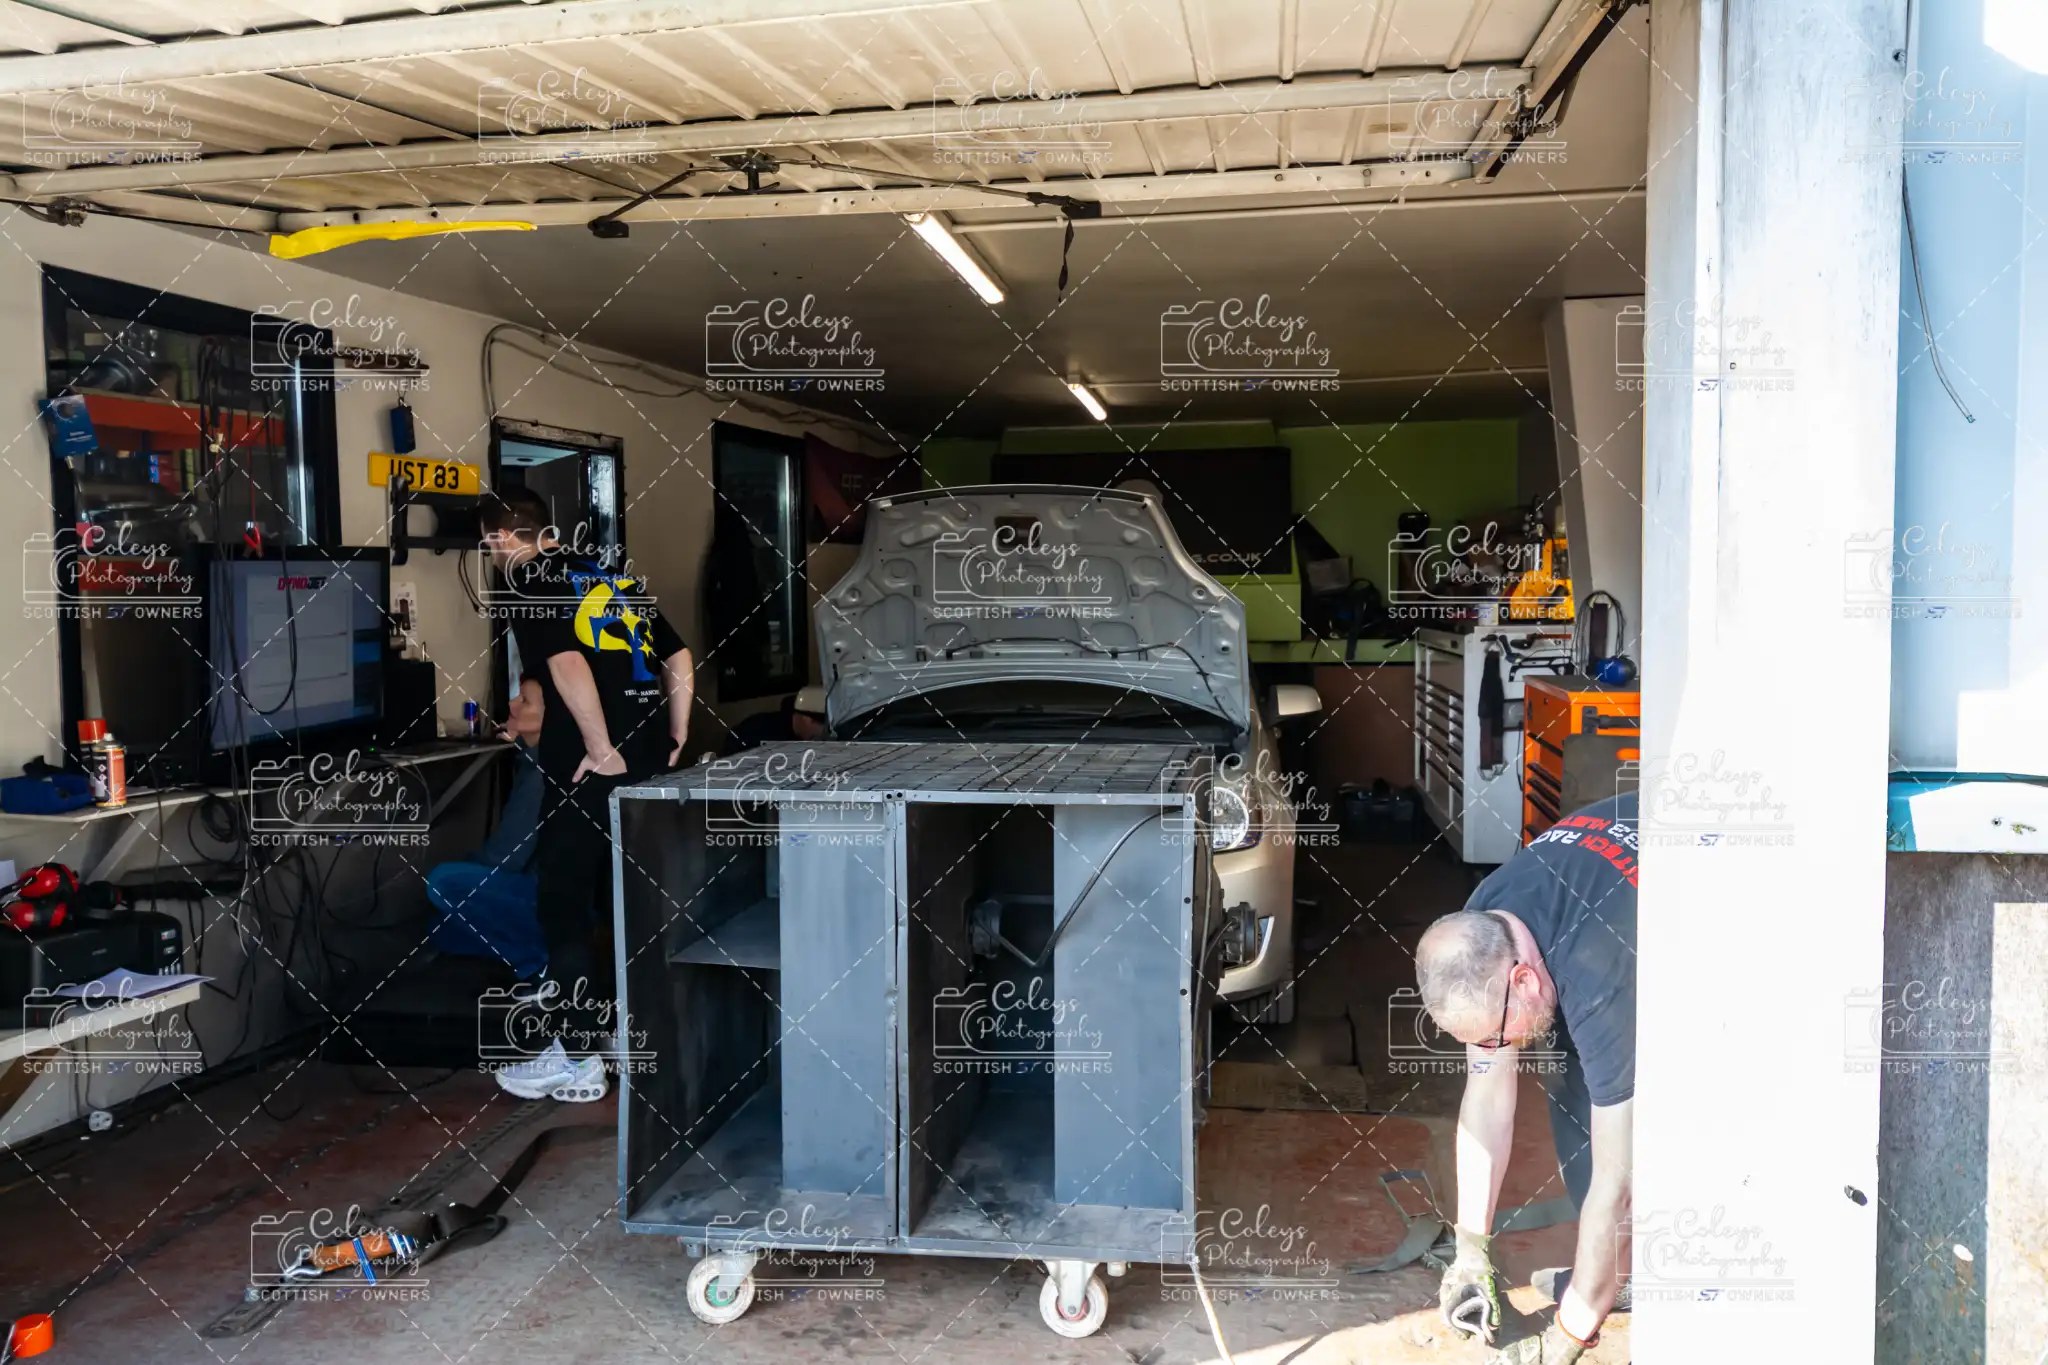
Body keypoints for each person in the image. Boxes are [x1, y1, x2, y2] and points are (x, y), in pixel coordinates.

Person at [478, 485, 693, 1104]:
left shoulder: (527, 580)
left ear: (503, 537)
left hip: (591, 770)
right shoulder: (608, 573)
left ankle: (576, 1059)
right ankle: (627, 1036)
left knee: (564, 903)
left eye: (489, 546)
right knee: (627, 903)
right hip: (648, 762)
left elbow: (567, 664)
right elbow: (678, 654)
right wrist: (676, 731)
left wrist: (599, 748)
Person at [1412, 792, 1637, 1365]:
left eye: (1494, 1035)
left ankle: (1635, 1276)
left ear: (1524, 980)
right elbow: (1486, 1096)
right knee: (1572, 1086)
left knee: (1633, 1134)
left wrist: (1569, 1333)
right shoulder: (1485, 923)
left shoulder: (1601, 975)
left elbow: (1619, 1183)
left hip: (1724, 905)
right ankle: (1618, 1269)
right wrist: (1470, 1249)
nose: (1492, 1052)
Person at [424, 677, 547, 978]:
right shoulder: (537, 758)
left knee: (443, 883)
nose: (512, 704)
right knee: (440, 931)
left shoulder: (540, 774)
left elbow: (507, 858)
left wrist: (469, 867)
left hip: (546, 895)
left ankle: (539, 962)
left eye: (525, 701)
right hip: (547, 890)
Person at [725, 685, 828, 753]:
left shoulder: (797, 737)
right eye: (814, 736)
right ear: (809, 720)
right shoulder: (761, 733)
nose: (819, 738)